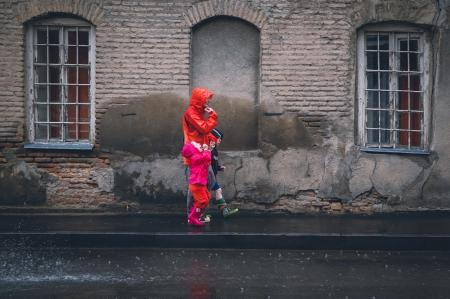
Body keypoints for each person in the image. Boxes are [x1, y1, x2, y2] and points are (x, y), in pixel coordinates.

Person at [208, 128, 238, 218]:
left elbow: (214, 164)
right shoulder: (208, 150)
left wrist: (219, 168)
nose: (220, 141)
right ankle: (201, 215)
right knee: (205, 196)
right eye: (219, 138)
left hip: (212, 177)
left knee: (217, 191)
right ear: (212, 138)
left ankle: (224, 210)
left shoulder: (214, 151)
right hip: (206, 177)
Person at [181, 141, 211, 227]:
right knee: (202, 201)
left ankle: (195, 214)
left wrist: (206, 149)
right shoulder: (195, 157)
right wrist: (206, 150)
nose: (199, 144)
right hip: (196, 184)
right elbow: (206, 158)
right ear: (193, 150)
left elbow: (206, 161)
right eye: (196, 145)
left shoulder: (197, 156)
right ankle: (193, 217)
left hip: (200, 183)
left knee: (206, 198)